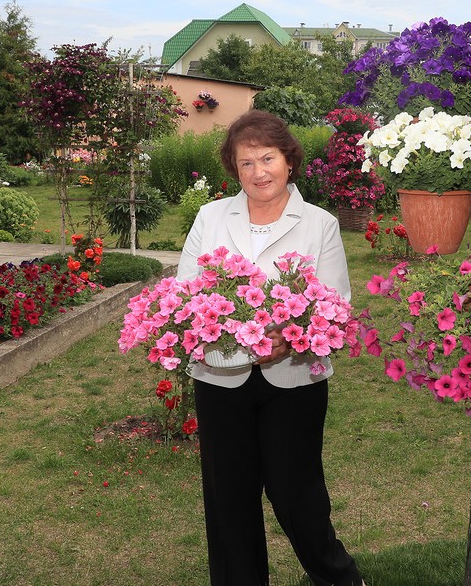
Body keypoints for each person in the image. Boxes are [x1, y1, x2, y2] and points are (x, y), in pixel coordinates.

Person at [176, 110, 365, 586]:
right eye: (246, 163)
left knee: (297, 495)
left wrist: (287, 339)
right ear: (233, 169)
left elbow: (337, 302)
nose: (258, 172)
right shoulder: (210, 215)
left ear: (289, 160)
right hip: (220, 375)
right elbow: (184, 292)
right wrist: (219, 326)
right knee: (229, 500)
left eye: (268, 158)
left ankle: (339, 577)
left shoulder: (319, 223)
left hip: (294, 379)